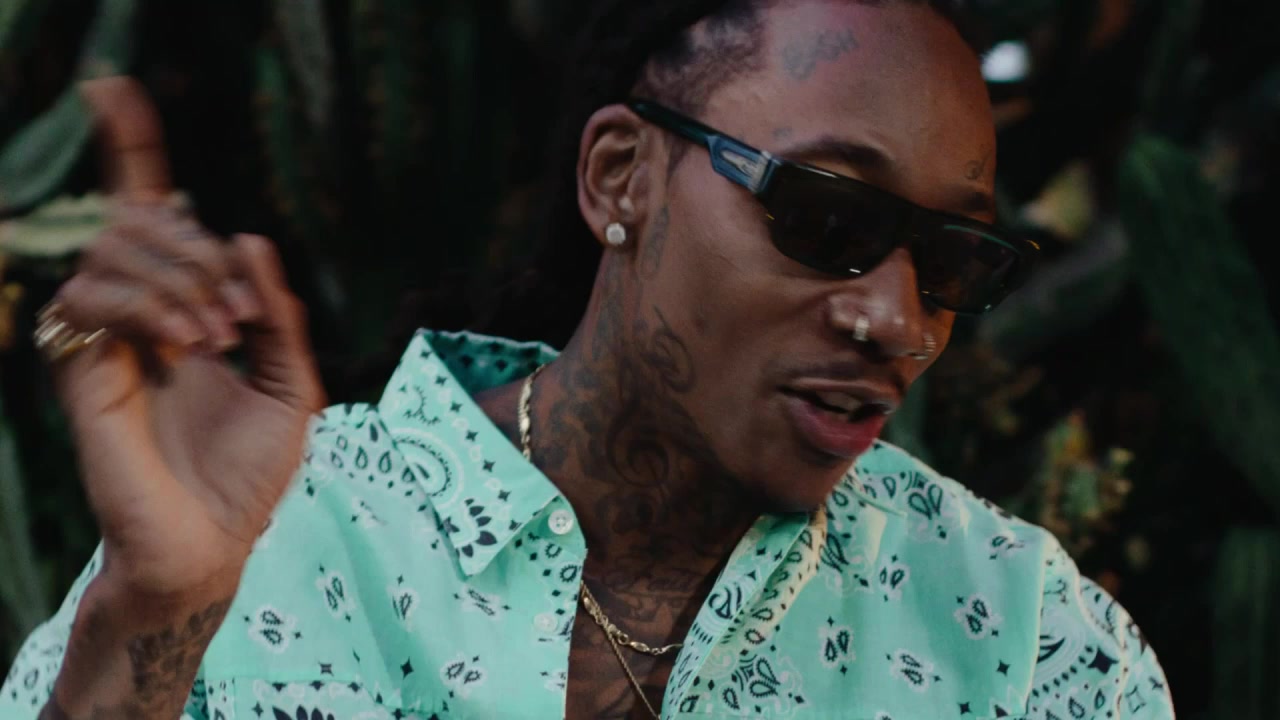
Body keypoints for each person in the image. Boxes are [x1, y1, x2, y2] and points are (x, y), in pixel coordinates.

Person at [2, 1, 1175, 718]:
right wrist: (151, 616)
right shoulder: (280, 539)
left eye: (952, 261)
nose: (896, 319)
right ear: (621, 178)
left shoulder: (1023, 643)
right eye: (825, 216)